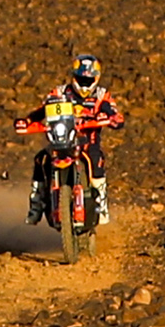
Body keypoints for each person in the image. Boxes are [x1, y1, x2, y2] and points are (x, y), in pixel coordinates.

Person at [19, 53, 128, 227]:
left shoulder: (101, 96)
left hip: (87, 142)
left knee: (96, 159)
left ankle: (101, 205)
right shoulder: (60, 93)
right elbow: (43, 110)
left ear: (96, 79)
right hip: (61, 141)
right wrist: (28, 121)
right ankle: (36, 205)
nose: (84, 85)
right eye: (80, 80)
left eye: (88, 80)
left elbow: (115, 115)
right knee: (41, 159)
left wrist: (110, 118)